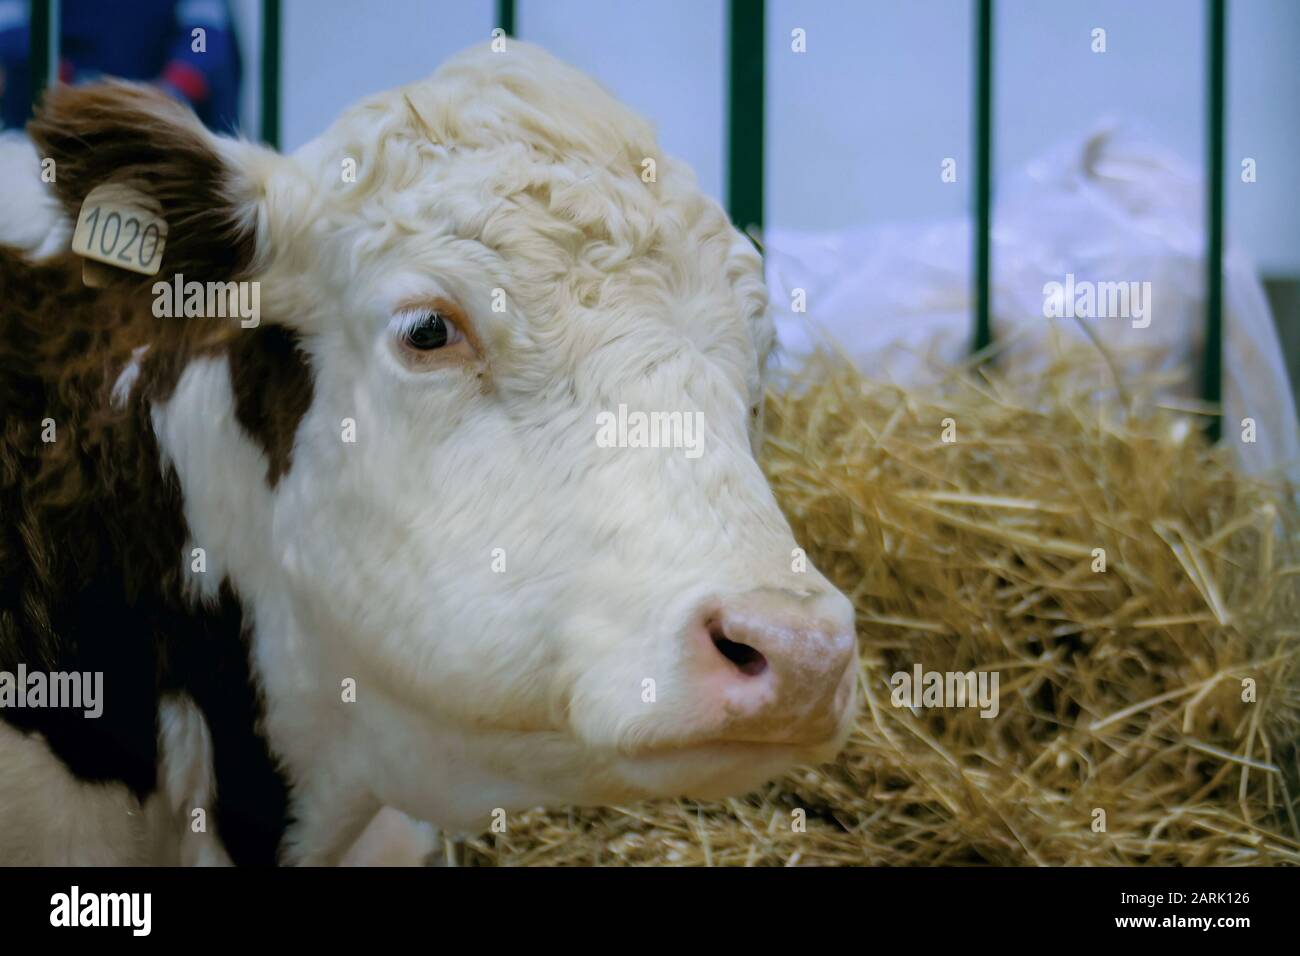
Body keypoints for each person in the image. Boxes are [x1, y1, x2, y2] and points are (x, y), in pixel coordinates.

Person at [0, 0, 241, 132]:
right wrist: (59, 75)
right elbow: (9, 25)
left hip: (151, 118)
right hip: (53, 117)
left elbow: (205, 34)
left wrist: (173, 86)